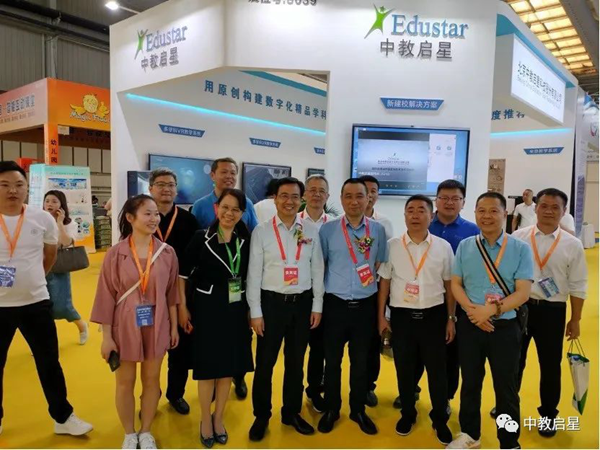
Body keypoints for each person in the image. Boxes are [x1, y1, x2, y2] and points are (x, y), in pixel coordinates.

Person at [0, 161, 92, 437]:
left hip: (36, 303)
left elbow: (50, 255)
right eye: (4, 185)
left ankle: (63, 417)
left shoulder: (41, 218)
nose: (13, 190)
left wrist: (34, 279)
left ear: (27, 188)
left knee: (49, 362)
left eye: (19, 185)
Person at [91, 195, 180, 449]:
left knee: (152, 380)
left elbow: (172, 294)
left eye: (156, 214)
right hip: (124, 325)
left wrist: (173, 327)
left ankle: (146, 430)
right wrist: (107, 337)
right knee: (125, 382)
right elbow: (105, 297)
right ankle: (129, 433)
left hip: (157, 324)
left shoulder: (167, 253)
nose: (154, 219)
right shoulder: (115, 254)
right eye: (147, 214)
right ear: (130, 218)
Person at [447, 192, 533, 450]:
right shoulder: (466, 246)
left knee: (506, 388)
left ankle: (509, 441)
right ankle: (470, 434)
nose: (487, 216)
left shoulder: (520, 248)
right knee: (470, 383)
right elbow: (456, 283)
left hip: (505, 327)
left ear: (504, 214)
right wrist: (473, 312)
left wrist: (490, 311)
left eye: (493, 211)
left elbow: (523, 293)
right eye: (481, 211)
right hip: (471, 324)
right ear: (475, 213)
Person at [247, 177, 324, 441]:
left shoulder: (310, 230)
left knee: (295, 363)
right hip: (271, 305)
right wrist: (255, 312)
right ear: (275, 199)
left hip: (301, 305)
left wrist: (317, 306)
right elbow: (254, 274)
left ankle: (291, 412)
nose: (289, 201)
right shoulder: (262, 231)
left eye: (294, 196)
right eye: (284, 196)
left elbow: (317, 269)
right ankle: (261, 415)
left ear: (301, 199)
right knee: (265, 364)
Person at [377, 195, 455, 445]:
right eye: (410, 210)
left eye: (421, 210)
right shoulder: (392, 246)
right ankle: (408, 414)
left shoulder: (443, 247)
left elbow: (449, 286)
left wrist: (451, 318)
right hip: (402, 318)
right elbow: (385, 282)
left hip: (434, 316)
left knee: (437, 371)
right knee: (405, 369)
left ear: (431, 216)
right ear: (404, 216)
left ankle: (439, 418)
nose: (415, 215)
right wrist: (381, 316)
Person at [180, 189, 254, 448]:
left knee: (227, 367)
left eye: (235, 209)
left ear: (242, 213)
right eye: (225, 207)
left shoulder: (245, 241)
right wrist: (182, 308)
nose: (229, 213)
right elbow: (182, 276)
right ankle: (205, 419)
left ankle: (218, 417)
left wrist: (251, 312)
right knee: (208, 368)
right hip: (207, 309)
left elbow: (249, 277)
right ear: (216, 208)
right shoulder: (201, 238)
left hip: (235, 309)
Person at [511, 188, 587, 437]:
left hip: (553, 311)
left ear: (564, 212)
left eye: (555, 207)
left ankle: (548, 416)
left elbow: (578, 284)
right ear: (536, 208)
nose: (549, 211)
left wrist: (575, 319)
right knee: (513, 362)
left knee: (550, 366)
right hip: (520, 309)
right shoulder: (519, 237)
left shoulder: (572, 244)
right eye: (544, 206)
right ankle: (508, 407)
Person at [317, 178, 388, 435]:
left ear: (368, 198)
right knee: (332, 361)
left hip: (365, 307)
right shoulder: (328, 230)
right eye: (348, 196)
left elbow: (380, 266)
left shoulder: (378, 230)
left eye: (360, 196)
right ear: (341, 198)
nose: (354, 201)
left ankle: (358, 409)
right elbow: (322, 265)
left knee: (360, 362)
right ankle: (332, 408)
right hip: (334, 305)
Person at [407, 180, 480, 412]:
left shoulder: (472, 231)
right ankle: (411, 390)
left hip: (458, 301)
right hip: (423, 299)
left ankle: (445, 397)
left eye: (455, 198)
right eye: (444, 198)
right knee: (416, 350)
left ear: (463, 202)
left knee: (450, 352)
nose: (449, 202)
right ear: (436, 201)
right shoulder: (424, 223)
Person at [191, 157, 257, 398]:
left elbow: (253, 235)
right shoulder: (200, 205)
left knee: (237, 342)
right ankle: (212, 382)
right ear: (213, 175)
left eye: (233, 172)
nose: (229, 176)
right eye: (224, 172)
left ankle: (237, 377)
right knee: (211, 345)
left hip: (236, 287)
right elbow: (196, 245)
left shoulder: (247, 203)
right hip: (210, 287)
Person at [148, 168, 199, 416]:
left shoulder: (189, 220)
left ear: (176, 190)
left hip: (181, 293)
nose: (166, 189)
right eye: (160, 184)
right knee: (150, 349)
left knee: (180, 348)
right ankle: (150, 395)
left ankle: (175, 393)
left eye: (170, 184)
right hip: (149, 293)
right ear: (150, 189)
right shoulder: (143, 217)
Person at [358, 175, 393, 407]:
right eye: (365, 190)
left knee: (371, 343)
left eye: (373, 191)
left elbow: (386, 259)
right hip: (345, 291)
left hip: (373, 289)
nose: (369, 195)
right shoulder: (339, 223)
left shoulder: (384, 224)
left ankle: (368, 386)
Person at [302, 174, 333, 413]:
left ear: (328, 196)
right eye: (312, 190)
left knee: (319, 347)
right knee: (295, 350)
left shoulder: (335, 225)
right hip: (299, 292)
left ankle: (314, 390)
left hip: (326, 294)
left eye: (321, 190)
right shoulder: (294, 222)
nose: (316, 194)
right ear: (304, 194)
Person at [43, 190, 88, 345]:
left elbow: (66, 242)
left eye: (54, 201)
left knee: (61, 305)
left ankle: (82, 326)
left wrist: (60, 223)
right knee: (42, 307)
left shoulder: (70, 224)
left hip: (59, 267)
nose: (49, 204)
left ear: (61, 205)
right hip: (39, 266)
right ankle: (46, 342)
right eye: (47, 201)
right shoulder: (38, 220)